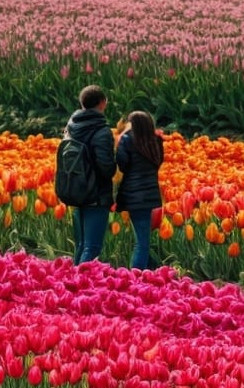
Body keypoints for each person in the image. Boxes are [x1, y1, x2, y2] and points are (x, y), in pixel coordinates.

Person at [57, 86, 116, 264]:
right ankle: (82, 286)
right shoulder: (102, 131)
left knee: (81, 245)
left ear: (82, 103)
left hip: (75, 189)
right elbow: (106, 168)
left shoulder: (71, 127)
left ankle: (73, 284)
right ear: (102, 103)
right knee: (92, 247)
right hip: (96, 194)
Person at [115, 111, 165, 270]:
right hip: (150, 194)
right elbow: (158, 163)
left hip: (132, 194)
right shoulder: (156, 140)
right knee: (143, 238)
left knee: (141, 243)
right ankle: (148, 272)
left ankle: (135, 278)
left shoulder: (128, 140)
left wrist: (121, 139)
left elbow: (122, 165)